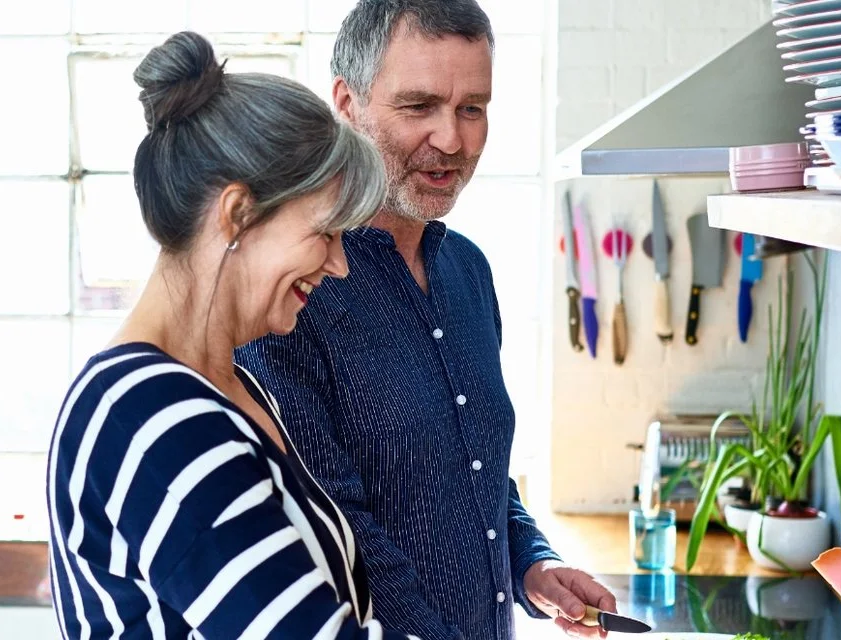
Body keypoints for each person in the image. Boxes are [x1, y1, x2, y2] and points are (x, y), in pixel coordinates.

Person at [235, 2, 618, 638]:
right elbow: (335, 528)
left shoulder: (468, 271)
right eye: (419, 107)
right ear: (347, 102)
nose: (453, 140)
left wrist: (532, 564)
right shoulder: (293, 293)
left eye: (473, 108)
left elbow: (478, 470)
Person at [46, 31, 422, 640]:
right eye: (324, 233)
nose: (339, 264)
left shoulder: (225, 385)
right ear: (237, 215)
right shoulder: (146, 416)